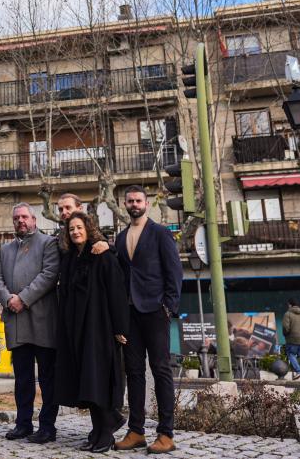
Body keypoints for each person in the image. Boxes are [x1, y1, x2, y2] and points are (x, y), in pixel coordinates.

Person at [114, 187, 182, 454]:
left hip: (155, 310)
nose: (134, 204)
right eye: (130, 201)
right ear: (125, 204)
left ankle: (166, 434)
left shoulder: (160, 233)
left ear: (146, 203)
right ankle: (136, 431)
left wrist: (168, 307)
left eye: (138, 200)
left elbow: (174, 271)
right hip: (130, 313)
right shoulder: (121, 237)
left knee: (160, 369)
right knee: (133, 372)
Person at [54, 211, 129, 453]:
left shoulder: (102, 255)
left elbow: (117, 291)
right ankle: (98, 430)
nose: (75, 232)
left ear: (88, 228)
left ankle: (106, 433)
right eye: (71, 229)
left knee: (98, 379)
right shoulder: (69, 259)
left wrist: (120, 327)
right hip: (76, 329)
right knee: (86, 381)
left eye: (79, 227)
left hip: (99, 327)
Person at [0, 202, 60, 444]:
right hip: (16, 320)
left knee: (47, 378)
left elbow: (49, 275)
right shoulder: (5, 249)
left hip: (42, 320)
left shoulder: (49, 243)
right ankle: (23, 424)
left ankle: (47, 427)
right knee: (22, 378)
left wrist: (23, 298)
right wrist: (7, 299)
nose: (20, 221)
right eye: (16, 218)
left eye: (24, 217)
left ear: (34, 219)